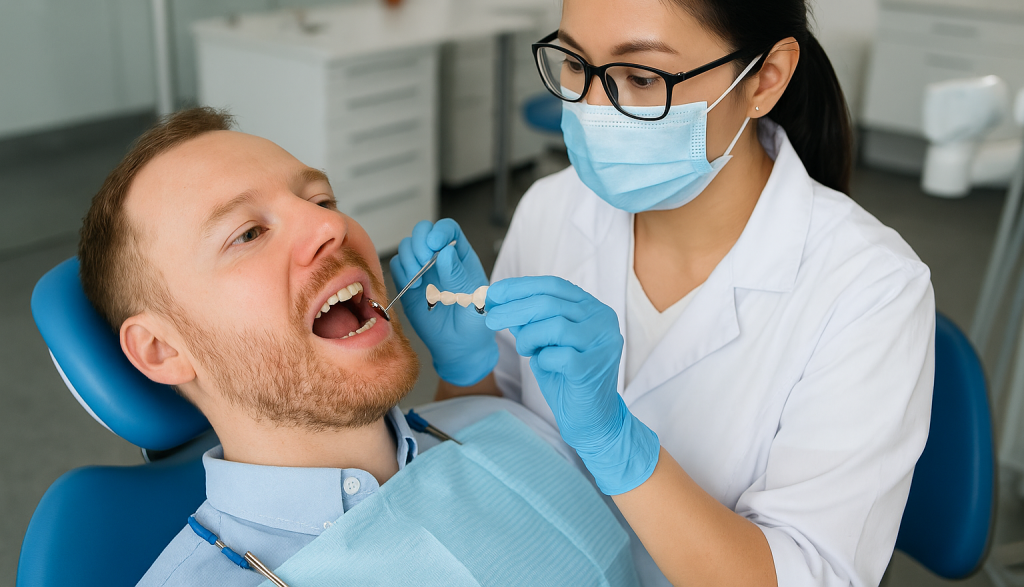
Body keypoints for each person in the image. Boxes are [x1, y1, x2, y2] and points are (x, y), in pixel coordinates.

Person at [389, 0, 935, 586]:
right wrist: (466, 366)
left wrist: (620, 446)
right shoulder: (554, 208)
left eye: (642, 78)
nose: (591, 108)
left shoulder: (870, 291)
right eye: (576, 63)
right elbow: (494, 438)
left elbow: (809, 574)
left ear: (765, 78)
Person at [76, 108, 639, 587]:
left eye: (320, 198)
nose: (330, 227)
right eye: (247, 233)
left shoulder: (501, 420)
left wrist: (474, 374)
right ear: (160, 350)